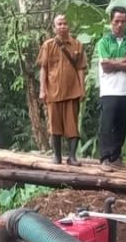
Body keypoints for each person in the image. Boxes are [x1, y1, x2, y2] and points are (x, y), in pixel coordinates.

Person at [38, 14, 88, 166]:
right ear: (54, 27)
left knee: (72, 126)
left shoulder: (77, 45)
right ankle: (57, 156)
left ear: (69, 26)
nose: (62, 26)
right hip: (53, 91)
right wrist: (42, 90)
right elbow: (43, 69)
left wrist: (82, 88)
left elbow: (80, 69)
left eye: (65, 23)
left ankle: (72, 157)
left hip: (72, 91)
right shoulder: (48, 45)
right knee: (55, 126)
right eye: (59, 24)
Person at [94, 6, 126, 169]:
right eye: (117, 21)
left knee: (121, 125)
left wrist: (114, 62)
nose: (120, 24)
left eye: (123, 21)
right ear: (111, 22)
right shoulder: (104, 42)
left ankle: (116, 157)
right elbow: (105, 66)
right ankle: (104, 158)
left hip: (125, 90)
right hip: (108, 90)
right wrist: (122, 62)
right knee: (107, 124)